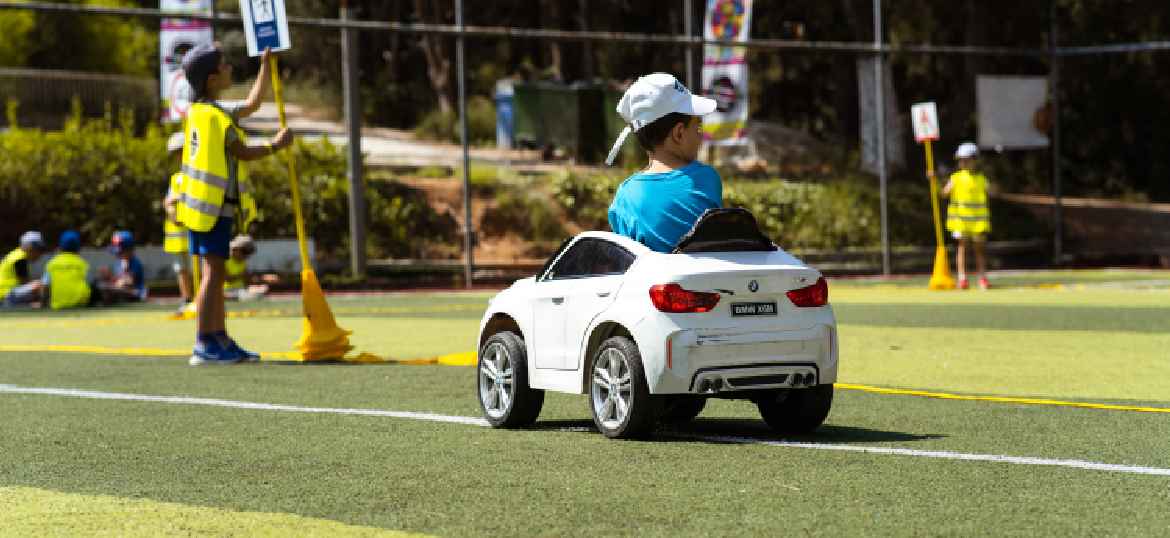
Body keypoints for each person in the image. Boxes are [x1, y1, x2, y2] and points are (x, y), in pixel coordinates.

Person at [177, 42, 293, 365]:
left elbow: (253, 103)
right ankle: (203, 342)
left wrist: (265, 67)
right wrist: (275, 145)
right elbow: (242, 151)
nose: (230, 69)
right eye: (225, 65)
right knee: (213, 275)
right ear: (212, 78)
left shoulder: (203, 111)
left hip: (201, 207)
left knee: (213, 272)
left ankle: (219, 338)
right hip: (213, 206)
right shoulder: (215, 117)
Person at [604, 73, 722, 253]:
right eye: (697, 126)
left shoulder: (624, 197)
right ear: (679, 134)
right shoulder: (707, 179)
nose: (701, 136)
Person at [943, 142, 992, 290]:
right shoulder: (955, 178)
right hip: (961, 222)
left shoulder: (981, 179)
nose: (963, 162)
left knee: (979, 249)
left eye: (967, 159)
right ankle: (962, 278)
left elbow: (990, 191)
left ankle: (982, 277)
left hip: (978, 223)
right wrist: (934, 180)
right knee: (962, 248)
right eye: (961, 159)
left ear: (975, 160)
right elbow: (945, 192)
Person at [163, 131, 196, 316]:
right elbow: (167, 201)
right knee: (181, 269)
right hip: (177, 236)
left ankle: (200, 299)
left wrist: (177, 199)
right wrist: (171, 209)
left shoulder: (196, 175)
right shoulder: (176, 178)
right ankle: (186, 300)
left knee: (196, 268)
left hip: (193, 230)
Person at [41, 230, 92, 310]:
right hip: (80, 304)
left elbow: (45, 286)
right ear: (78, 247)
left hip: (58, 305)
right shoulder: (82, 263)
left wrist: (43, 304)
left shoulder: (52, 263)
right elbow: (90, 283)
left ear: (60, 246)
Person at [96, 230, 147, 304]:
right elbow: (117, 279)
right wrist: (109, 277)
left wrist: (114, 283)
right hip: (121, 291)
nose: (117, 255)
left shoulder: (135, 263)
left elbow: (128, 281)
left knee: (110, 290)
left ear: (130, 250)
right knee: (101, 286)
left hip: (135, 293)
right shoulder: (119, 263)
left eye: (120, 253)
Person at [0, 231, 46, 307]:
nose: (39, 253)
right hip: (6, 294)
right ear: (28, 246)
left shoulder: (17, 254)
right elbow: (24, 282)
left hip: (7, 293)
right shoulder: (19, 258)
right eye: (37, 248)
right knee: (38, 285)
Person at [224, 235, 272, 301]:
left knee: (263, 289)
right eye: (245, 252)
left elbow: (247, 280)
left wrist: (262, 279)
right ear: (235, 249)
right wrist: (242, 275)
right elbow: (228, 279)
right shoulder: (224, 260)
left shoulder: (243, 262)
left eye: (248, 253)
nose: (247, 256)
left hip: (241, 290)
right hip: (227, 291)